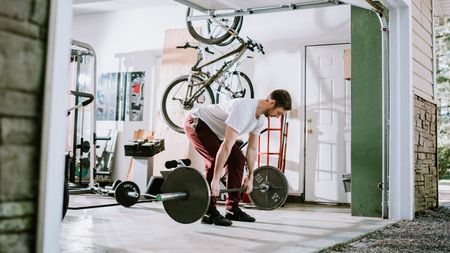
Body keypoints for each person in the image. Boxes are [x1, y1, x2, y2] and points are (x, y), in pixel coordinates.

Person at [183, 89, 292, 226]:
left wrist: (251, 176)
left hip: (215, 132)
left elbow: (252, 149)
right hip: (197, 123)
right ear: (272, 102)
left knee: (238, 159)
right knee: (214, 160)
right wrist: (216, 179)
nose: (277, 117)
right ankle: (208, 211)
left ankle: (232, 209)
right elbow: (227, 145)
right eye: (279, 113)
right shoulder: (244, 109)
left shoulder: (259, 120)